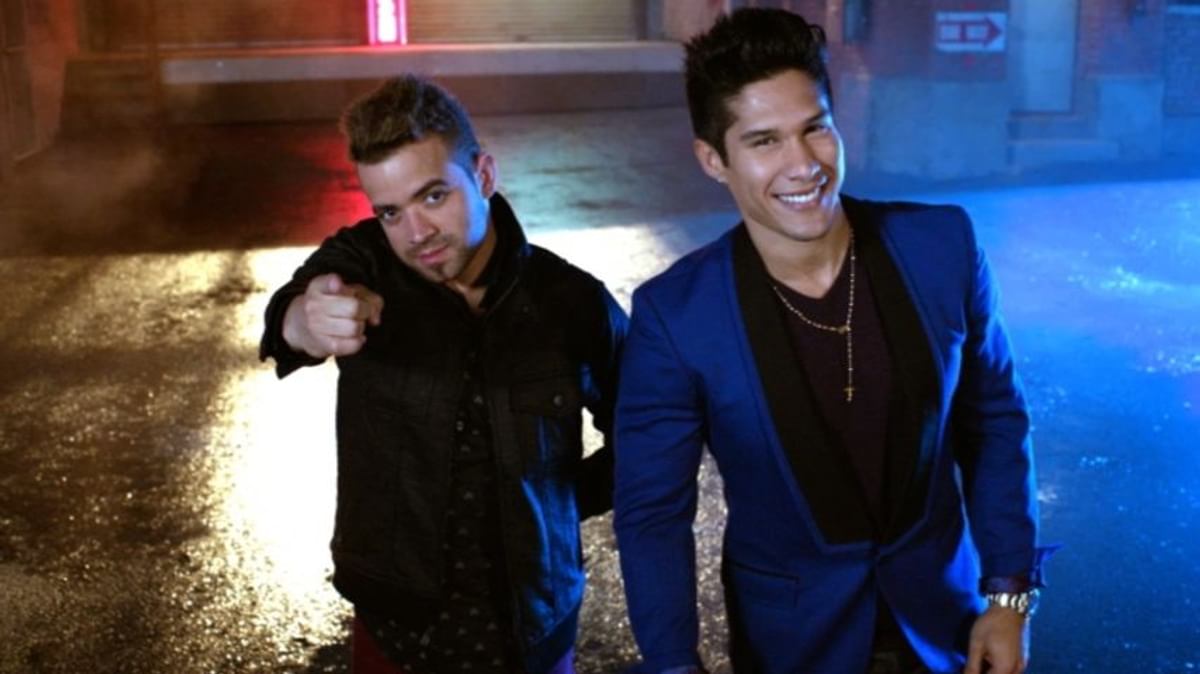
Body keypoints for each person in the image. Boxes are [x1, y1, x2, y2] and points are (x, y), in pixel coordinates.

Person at [613, 8, 1052, 674]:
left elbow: (994, 423)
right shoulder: (676, 315)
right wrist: (674, 663)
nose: (803, 164)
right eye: (764, 141)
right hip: (790, 641)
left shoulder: (942, 246)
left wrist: (1010, 594)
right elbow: (653, 513)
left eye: (815, 127)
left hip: (948, 622)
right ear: (713, 160)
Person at [259, 74, 627, 674]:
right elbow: (291, 315)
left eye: (433, 197)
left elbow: (647, 430)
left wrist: (555, 503)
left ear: (483, 175)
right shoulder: (364, 263)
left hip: (532, 626)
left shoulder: (572, 302)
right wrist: (308, 319)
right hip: (396, 629)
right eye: (391, 212)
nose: (416, 234)